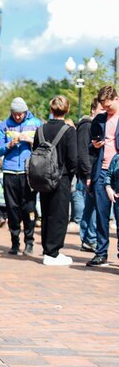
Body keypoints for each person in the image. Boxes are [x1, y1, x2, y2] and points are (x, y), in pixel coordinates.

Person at [0, 97, 42, 256]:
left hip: (28, 172)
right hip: (10, 171)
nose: (18, 117)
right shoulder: (5, 125)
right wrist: (9, 145)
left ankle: (29, 242)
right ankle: (15, 242)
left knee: (29, 207)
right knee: (12, 208)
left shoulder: (36, 123)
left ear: (26, 112)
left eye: (20, 114)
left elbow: (43, 146)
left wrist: (31, 141)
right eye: (15, 114)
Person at [33, 96, 78, 265]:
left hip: (43, 176)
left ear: (51, 110)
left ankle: (47, 249)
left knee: (46, 213)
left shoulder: (41, 130)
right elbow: (73, 159)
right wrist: (71, 175)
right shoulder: (69, 131)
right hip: (61, 177)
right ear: (66, 110)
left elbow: (35, 150)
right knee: (59, 215)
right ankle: (53, 252)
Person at [86, 85, 119, 267]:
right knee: (101, 214)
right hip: (102, 170)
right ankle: (101, 252)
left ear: (116, 99)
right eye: (104, 107)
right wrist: (95, 146)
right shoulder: (98, 120)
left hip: (118, 173)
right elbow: (90, 149)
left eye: (109, 107)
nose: (106, 110)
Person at [74, 98, 102, 252]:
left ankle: (87, 238)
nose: (104, 111)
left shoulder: (97, 126)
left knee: (90, 206)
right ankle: (90, 238)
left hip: (93, 170)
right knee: (93, 206)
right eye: (101, 109)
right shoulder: (87, 126)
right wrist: (88, 174)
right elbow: (82, 152)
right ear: (93, 110)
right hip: (89, 172)